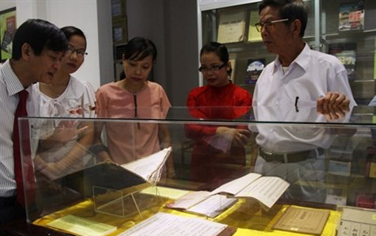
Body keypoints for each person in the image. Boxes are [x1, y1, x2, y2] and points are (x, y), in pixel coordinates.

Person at [0, 19, 68, 236]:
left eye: (60, 59)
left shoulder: (35, 97)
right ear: (27, 51)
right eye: (53, 58)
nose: (58, 66)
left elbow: (27, 151)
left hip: (20, 206)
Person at [253, 0, 357, 114]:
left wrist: (338, 111)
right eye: (261, 25)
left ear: (295, 27)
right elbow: (256, 126)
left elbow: (349, 127)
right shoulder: (265, 74)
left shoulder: (330, 68)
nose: (263, 32)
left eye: (269, 23)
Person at [94, 37, 175, 178]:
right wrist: (108, 162)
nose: (138, 72)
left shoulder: (157, 91)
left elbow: (164, 135)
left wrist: (171, 170)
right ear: (123, 59)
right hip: (120, 172)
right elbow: (94, 137)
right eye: (132, 64)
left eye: (145, 67)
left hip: (154, 171)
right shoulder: (105, 93)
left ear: (152, 65)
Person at [29, 26, 96, 180]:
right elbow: (24, 139)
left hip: (74, 172)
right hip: (37, 174)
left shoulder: (83, 90)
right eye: (70, 49)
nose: (74, 57)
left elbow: (89, 134)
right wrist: (44, 168)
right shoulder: (31, 92)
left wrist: (60, 167)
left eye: (80, 52)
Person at [185, 42, 252, 187]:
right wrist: (220, 131)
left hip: (231, 163)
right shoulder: (196, 95)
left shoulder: (242, 96)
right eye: (204, 68)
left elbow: (241, 136)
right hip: (202, 164)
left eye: (215, 67)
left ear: (227, 66)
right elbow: (189, 128)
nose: (209, 73)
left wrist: (205, 131)